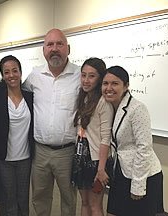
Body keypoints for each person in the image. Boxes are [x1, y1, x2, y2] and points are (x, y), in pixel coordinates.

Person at [23, 28, 80, 216]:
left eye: (59, 44)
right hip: (40, 152)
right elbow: (17, 97)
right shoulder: (34, 76)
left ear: (68, 49)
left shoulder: (80, 76)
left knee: (68, 199)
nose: (54, 49)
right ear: (43, 50)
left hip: (67, 152)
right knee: (39, 197)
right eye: (50, 44)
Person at [102, 66, 164, 216]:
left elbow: (144, 148)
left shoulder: (137, 109)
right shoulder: (110, 107)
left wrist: (138, 185)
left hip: (143, 175)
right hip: (122, 171)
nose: (109, 88)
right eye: (105, 83)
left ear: (126, 86)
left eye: (115, 83)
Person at [0, 55, 34, 216]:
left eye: (14, 71)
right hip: (4, 159)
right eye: (6, 72)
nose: (11, 75)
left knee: (23, 198)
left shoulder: (30, 97)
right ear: (2, 75)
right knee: (8, 199)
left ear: (21, 72)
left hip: (25, 158)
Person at [71, 58, 114, 216]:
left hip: (97, 162)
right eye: (83, 75)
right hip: (81, 157)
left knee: (95, 206)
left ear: (100, 78)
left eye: (91, 76)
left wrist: (101, 170)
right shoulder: (84, 97)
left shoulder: (103, 102)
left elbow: (105, 138)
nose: (86, 80)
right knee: (84, 203)